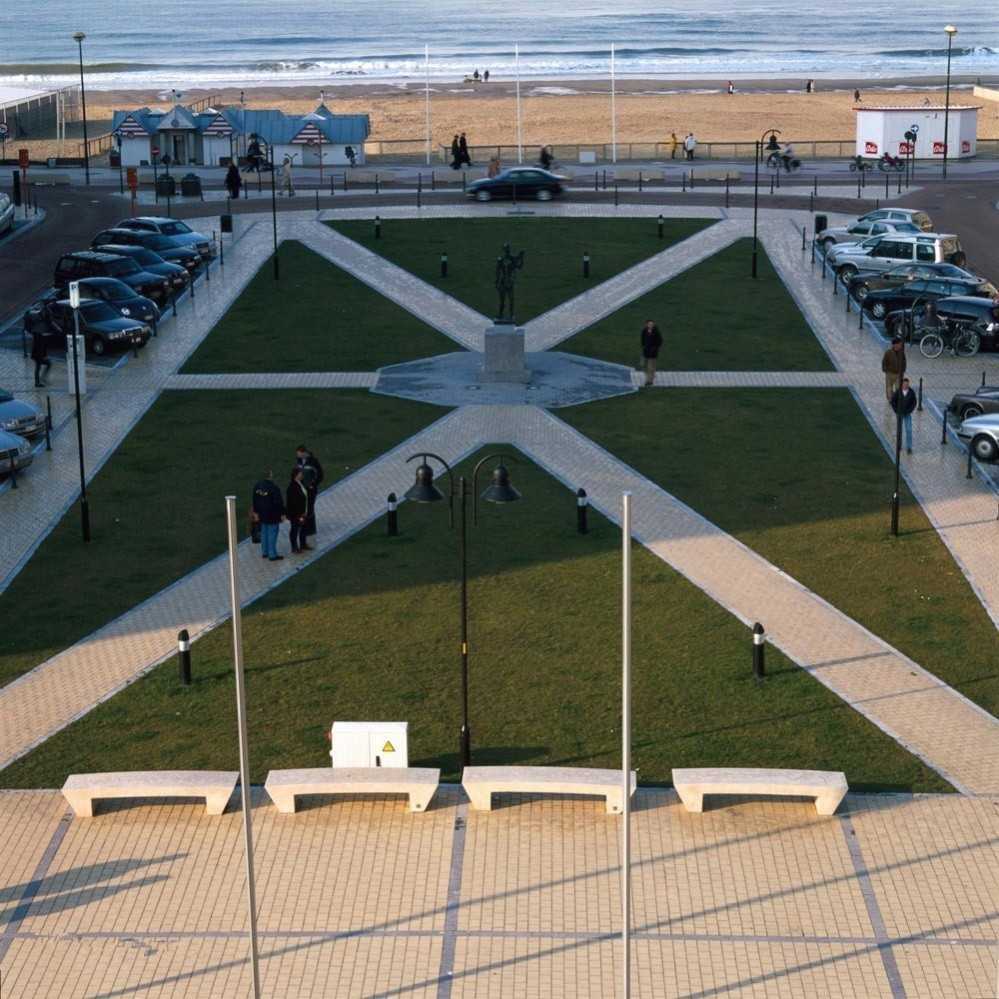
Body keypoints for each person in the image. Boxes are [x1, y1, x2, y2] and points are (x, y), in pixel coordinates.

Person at [251, 471, 285, 561]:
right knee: (272, 534)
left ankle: (265, 552)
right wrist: (282, 513)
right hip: (273, 515)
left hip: (262, 514)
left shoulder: (257, 486)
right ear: (270, 475)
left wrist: (255, 512)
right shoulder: (274, 487)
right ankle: (272, 555)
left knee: (264, 532)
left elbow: (254, 500)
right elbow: (278, 502)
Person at [295, 444, 324, 544]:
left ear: (304, 452)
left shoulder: (313, 461)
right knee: (302, 508)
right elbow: (297, 472)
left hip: (310, 490)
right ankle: (304, 527)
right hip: (301, 489)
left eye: (299, 454)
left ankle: (310, 529)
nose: (297, 456)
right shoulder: (299, 461)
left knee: (310, 507)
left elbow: (320, 475)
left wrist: (313, 484)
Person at [286, 467, 311, 554]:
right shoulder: (292, 487)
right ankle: (294, 547)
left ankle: (303, 544)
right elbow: (293, 503)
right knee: (295, 530)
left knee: (303, 528)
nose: (302, 475)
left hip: (303, 512)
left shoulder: (300, 483)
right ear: (296, 475)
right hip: (296, 514)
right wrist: (300, 514)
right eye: (300, 473)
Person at [891, 377, 918, 454]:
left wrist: (910, 410)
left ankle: (909, 447)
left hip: (907, 414)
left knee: (909, 430)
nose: (906, 386)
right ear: (902, 384)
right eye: (905, 384)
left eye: (907, 384)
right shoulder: (898, 392)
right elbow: (893, 401)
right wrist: (896, 410)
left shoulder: (911, 392)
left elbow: (914, 402)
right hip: (899, 414)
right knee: (899, 430)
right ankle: (899, 445)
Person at [881, 336, 907, 402]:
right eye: (899, 344)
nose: (900, 346)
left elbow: (904, 362)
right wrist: (885, 370)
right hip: (890, 373)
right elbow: (884, 362)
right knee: (889, 388)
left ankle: (896, 399)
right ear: (895, 345)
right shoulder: (888, 352)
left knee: (898, 387)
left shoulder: (901, 353)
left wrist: (903, 370)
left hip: (898, 374)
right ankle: (890, 399)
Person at [640, 319, 663, 387]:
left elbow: (660, 341)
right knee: (642, 364)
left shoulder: (656, 332)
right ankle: (651, 374)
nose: (651, 325)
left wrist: (654, 348)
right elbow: (642, 339)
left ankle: (649, 381)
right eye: (649, 324)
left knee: (650, 367)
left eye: (652, 324)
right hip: (645, 351)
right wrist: (643, 346)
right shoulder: (644, 331)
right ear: (646, 324)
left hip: (653, 353)